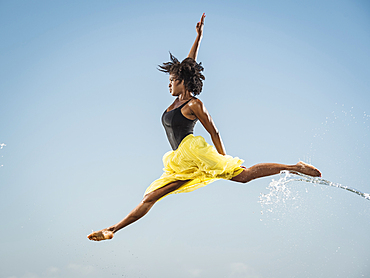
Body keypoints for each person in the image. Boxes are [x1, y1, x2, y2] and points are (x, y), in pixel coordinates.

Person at [87, 13, 321, 241]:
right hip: (180, 159)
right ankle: (112, 230)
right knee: (151, 196)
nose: (169, 84)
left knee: (244, 175)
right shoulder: (176, 101)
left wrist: (223, 159)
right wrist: (198, 37)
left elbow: (213, 130)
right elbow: (188, 65)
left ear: (182, 82)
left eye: (171, 81)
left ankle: (295, 167)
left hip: (194, 152)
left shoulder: (194, 104)